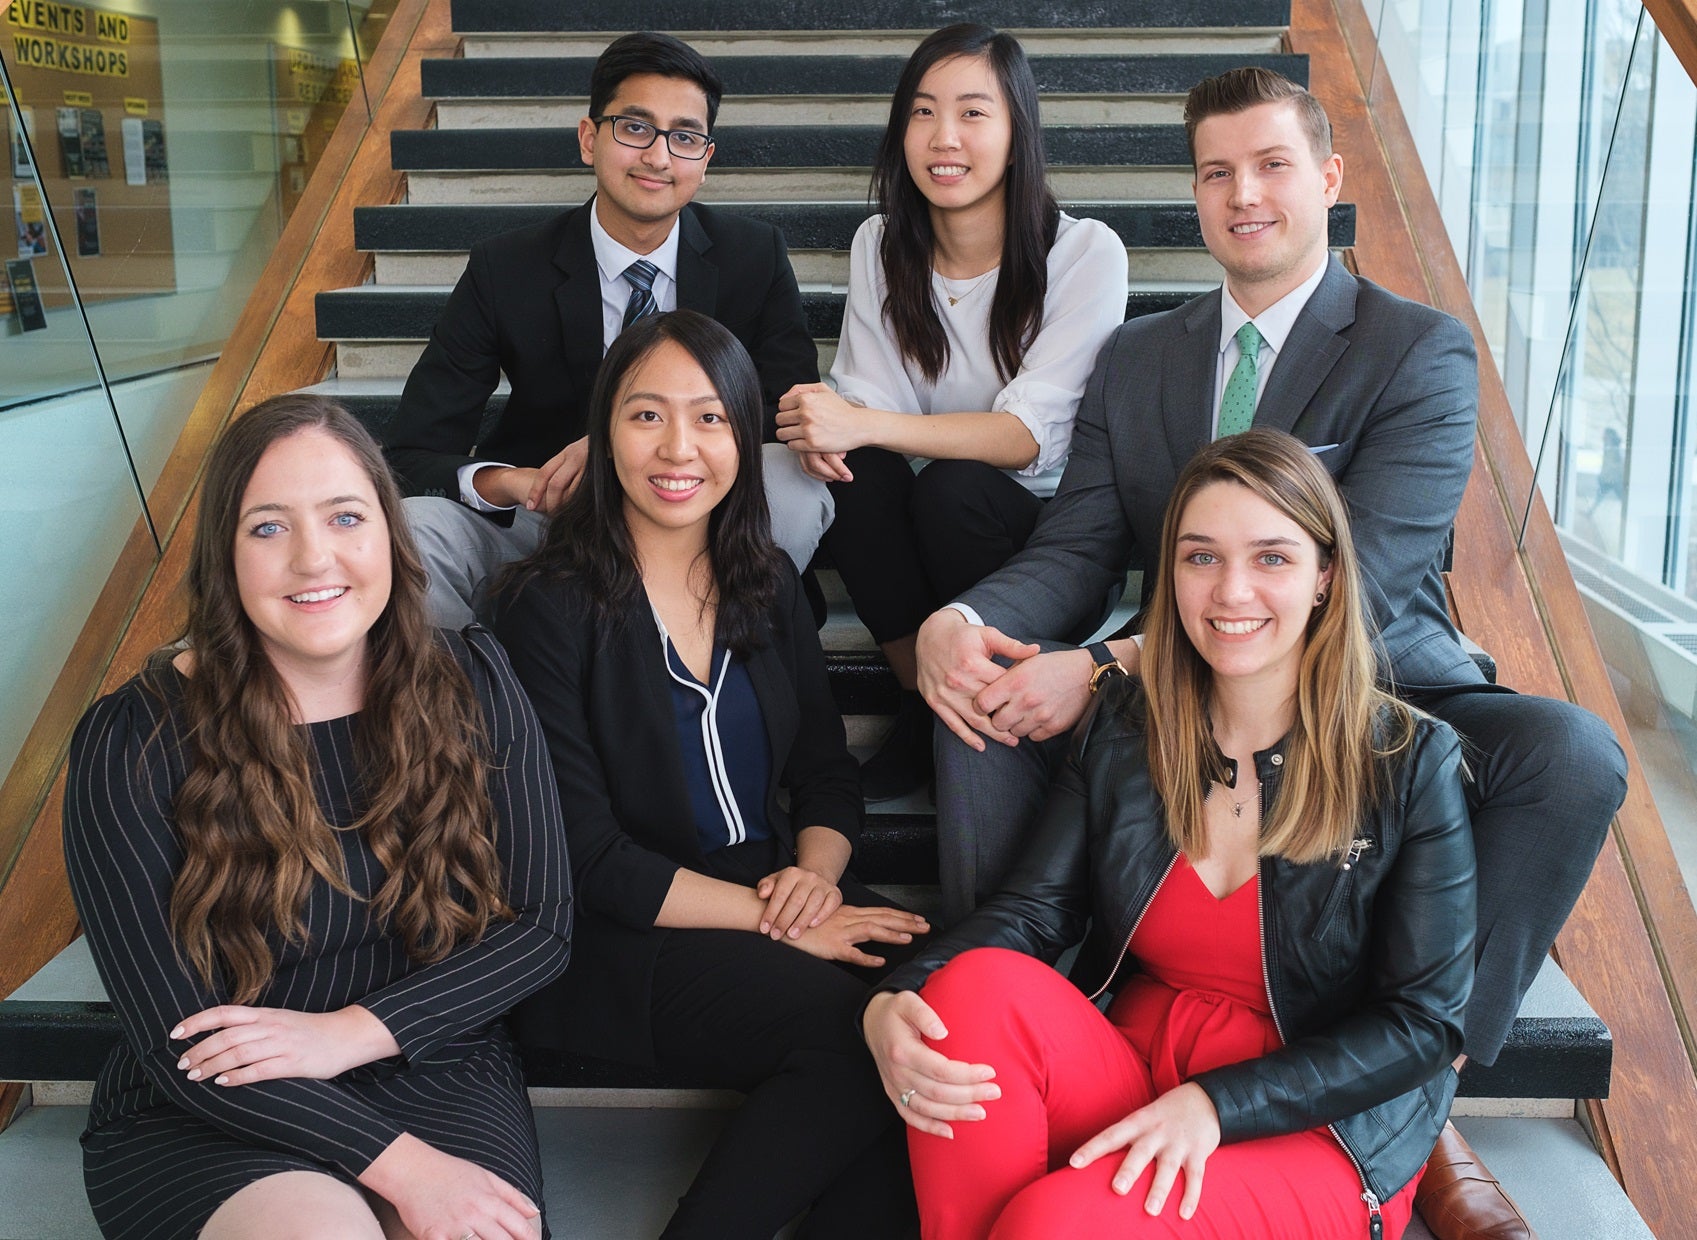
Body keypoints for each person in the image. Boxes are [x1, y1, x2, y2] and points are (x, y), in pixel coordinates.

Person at [913, 67, 1627, 1239]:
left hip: (1383, 674)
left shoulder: (1417, 347)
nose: (1241, 193)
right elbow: (1080, 540)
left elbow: (1380, 569)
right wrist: (963, 618)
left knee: (1569, 753)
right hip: (1190, 678)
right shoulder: (1141, 356)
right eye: (1214, 172)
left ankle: (1414, 1096)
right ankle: (1034, 1040)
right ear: (1192, 195)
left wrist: (1103, 664)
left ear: (1329, 182)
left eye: (1270, 165)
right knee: (978, 698)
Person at [866, 429, 1476, 1239]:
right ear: (1170, 575)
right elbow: (1032, 913)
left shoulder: (1409, 759)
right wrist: (895, 995)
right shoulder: (1126, 721)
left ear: (1324, 577)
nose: (1230, 592)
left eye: (1270, 558)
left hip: (1316, 1123)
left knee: (1051, 1223)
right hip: (1139, 1069)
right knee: (970, 992)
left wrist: (1219, 1106)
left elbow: (1423, 1023)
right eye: (1200, 557)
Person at [61, 394, 573, 1240]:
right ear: (223, 555)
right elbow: (174, 1036)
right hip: (217, 1095)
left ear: (388, 533)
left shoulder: (471, 678)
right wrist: (402, 1167)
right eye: (268, 528)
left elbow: (542, 928)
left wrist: (348, 1034)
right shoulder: (134, 738)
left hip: (430, 1059)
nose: (313, 559)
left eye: (344, 516)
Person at [491, 310, 929, 1239]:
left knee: (943, 1021)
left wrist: (812, 880)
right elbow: (583, 854)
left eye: (709, 418)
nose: (677, 447)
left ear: (741, 432)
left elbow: (823, 774)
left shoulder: (767, 583)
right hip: (616, 935)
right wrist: (780, 925)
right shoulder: (545, 609)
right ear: (603, 433)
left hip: (774, 886)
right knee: (856, 1045)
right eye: (646, 416)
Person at [775, 23, 1128, 800]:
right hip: (928, 523)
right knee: (855, 471)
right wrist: (830, 425)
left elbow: (1028, 436)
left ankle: (983, 699)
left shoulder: (1084, 253)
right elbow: (869, 404)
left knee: (952, 486)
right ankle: (920, 697)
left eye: (973, 113)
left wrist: (860, 421)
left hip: (1046, 544)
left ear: (1015, 133)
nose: (944, 137)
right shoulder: (880, 245)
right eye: (923, 112)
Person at [386, 31, 831, 627]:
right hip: (552, 517)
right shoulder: (506, 267)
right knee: (414, 531)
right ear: (589, 138)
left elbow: (785, 417)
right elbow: (412, 452)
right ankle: (494, 703)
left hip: (698, 514)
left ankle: (714, 649)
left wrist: (643, 447)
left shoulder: (754, 255)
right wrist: (517, 483)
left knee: (799, 488)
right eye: (635, 127)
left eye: (685, 137)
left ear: (705, 158)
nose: (658, 156)